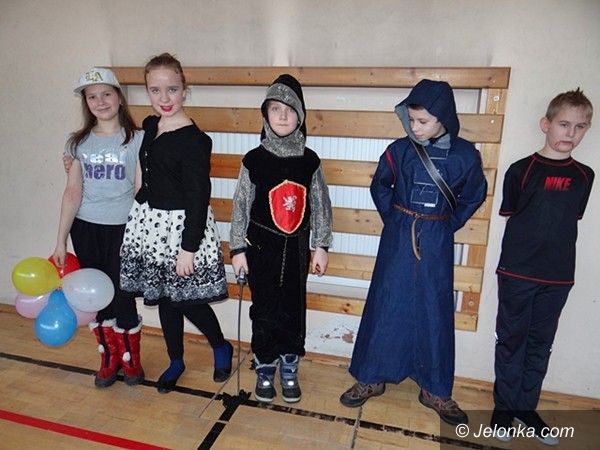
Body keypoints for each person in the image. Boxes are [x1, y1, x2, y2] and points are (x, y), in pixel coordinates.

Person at [339, 79, 487, 425]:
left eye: (423, 121)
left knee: (434, 307)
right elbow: (380, 184)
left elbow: (474, 194)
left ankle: (435, 387)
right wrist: (395, 218)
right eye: (411, 120)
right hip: (399, 235)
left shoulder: (466, 155)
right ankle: (371, 375)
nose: (415, 127)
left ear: (443, 118)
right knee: (387, 301)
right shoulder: (399, 150)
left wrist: (447, 224)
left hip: (437, 237)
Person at [119, 53, 231, 393]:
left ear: (185, 89)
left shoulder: (195, 141)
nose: (164, 98)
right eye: (155, 90)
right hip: (152, 226)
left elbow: (198, 196)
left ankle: (220, 345)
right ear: (147, 92)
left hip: (182, 229)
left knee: (187, 299)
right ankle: (176, 360)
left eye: (172, 89)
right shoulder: (151, 125)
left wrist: (188, 249)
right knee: (166, 299)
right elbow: (145, 165)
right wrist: (139, 196)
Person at [491, 88, 594, 445]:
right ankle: (503, 410)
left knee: (540, 344)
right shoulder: (521, 170)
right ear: (545, 124)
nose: (571, 133)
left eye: (580, 127)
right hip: (518, 272)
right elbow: (514, 213)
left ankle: (525, 408)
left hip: (558, 277)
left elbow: (571, 218)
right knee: (511, 341)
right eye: (564, 124)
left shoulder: (585, 176)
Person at [229, 74, 333, 403]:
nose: (283, 116)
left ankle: (289, 364)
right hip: (262, 249)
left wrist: (321, 246)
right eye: (275, 109)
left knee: (292, 309)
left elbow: (320, 204)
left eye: (289, 109)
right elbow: (241, 206)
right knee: (264, 309)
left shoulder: (310, 161)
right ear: (266, 115)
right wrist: (237, 249)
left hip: (297, 249)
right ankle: (264, 365)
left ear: (300, 115)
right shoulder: (254, 160)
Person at [52, 67, 145, 388]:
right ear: (86, 103)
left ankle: (131, 360)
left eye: (106, 94)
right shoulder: (77, 142)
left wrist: (139, 233)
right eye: (92, 97)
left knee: (122, 295)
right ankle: (109, 357)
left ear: (119, 97)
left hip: (123, 229)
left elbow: (139, 190)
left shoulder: (137, 139)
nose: (100, 101)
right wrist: (61, 241)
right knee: (97, 295)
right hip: (86, 228)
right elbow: (72, 192)